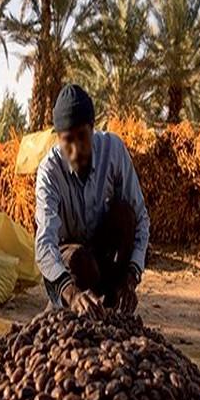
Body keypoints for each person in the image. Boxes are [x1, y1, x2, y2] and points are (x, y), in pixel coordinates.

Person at [35, 83, 150, 318]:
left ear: (93, 128)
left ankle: (113, 301)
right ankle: (71, 307)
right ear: (57, 138)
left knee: (124, 215)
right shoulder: (49, 171)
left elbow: (141, 220)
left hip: (104, 259)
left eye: (82, 137)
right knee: (79, 259)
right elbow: (45, 245)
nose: (76, 149)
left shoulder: (113, 150)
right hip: (74, 265)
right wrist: (71, 293)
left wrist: (131, 277)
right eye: (68, 140)